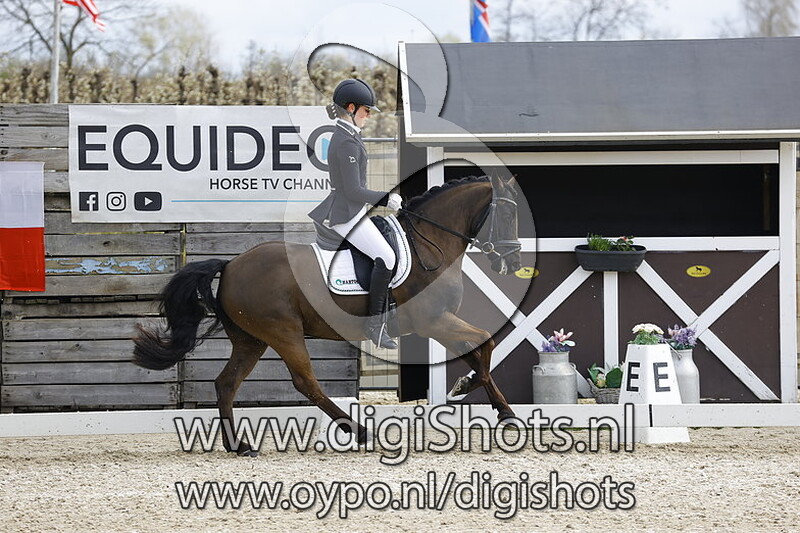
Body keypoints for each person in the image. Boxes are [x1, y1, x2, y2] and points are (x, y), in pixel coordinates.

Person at [309, 78, 402, 349]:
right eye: (366, 110)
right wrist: (386, 199)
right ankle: (374, 326)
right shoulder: (345, 142)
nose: (369, 116)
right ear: (351, 108)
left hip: (354, 211)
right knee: (386, 257)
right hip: (346, 214)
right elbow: (352, 190)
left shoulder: (349, 136)